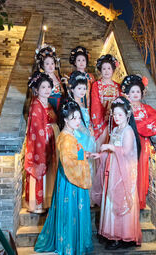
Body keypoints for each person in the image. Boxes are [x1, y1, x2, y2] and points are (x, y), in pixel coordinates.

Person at [34, 100, 94, 254]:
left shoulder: (69, 134)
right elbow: (69, 162)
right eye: (73, 118)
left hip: (68, 178)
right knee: (71, 212)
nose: (77, 121)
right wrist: (84, 160)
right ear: (65, 119)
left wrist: (86, 154)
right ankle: (70, 245)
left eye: (78, 118)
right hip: (71, 180)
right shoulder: (66, 138)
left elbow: (76, 155)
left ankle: (72, 243)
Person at [91, 96, 142, 250]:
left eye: (120, 114)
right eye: (114, 114)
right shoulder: (114, 129)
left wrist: (110, 147)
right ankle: (111, 234)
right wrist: (100, 155)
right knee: (111, 199)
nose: (117, 117)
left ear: (127, 115)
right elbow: (111, 150)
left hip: (124, 172)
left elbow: (126, 151)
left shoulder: (128, 131)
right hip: (113, 169)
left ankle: (123, 236)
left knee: (121, 201)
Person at [120, 74, 156, 209]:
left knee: (141, 169)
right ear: (127, 93)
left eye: (137, 91)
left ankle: (138, 199)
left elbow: (155, 118)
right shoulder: (125, 108)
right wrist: (141, 125)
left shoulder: (146, 109)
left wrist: (142, 125)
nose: (135, 94)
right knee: (127, 168)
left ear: (142, 93)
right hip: (129, 141)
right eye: (132, 91)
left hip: (143, 142)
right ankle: (125, 198)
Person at [24, 71, 59, 214]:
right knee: (40, 169)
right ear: (37, 90)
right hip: (41, 142)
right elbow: (36, 128)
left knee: (50, 172)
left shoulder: (47, 104)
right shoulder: (36, 105)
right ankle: (37, 203)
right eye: (43, 87)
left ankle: (46, 201)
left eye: (48, 87)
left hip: (50, 139)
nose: (46, 90)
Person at [68, 71, 96, 206]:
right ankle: (78, 196)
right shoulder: (72, 105)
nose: (82, 91)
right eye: (79, 88)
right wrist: (87, 131)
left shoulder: (83, 104)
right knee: (80, 164)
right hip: (78, 140)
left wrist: (90, 128)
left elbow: (86, 120)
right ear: (72, 89)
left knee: (88, 165)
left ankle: (87, 197)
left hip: (86, 139)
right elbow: (76, 124)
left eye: (84, 88)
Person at [90, 54, 121, 148]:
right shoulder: (96, 85)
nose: (106, 71)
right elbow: (95, 104)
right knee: (101, 146)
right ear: (100, 70)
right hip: (101, 120)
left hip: (115, 120)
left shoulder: (118, 86)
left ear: (113, 70)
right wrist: (102, 120)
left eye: (109, 68)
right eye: (104, 69)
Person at [35, 44, 63, 112]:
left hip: (59, 106)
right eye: (47, 64)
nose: (50, 66)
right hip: (48, 108)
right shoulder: (41, 79)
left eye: (52, 63)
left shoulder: (57, 76)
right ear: (42, 65)